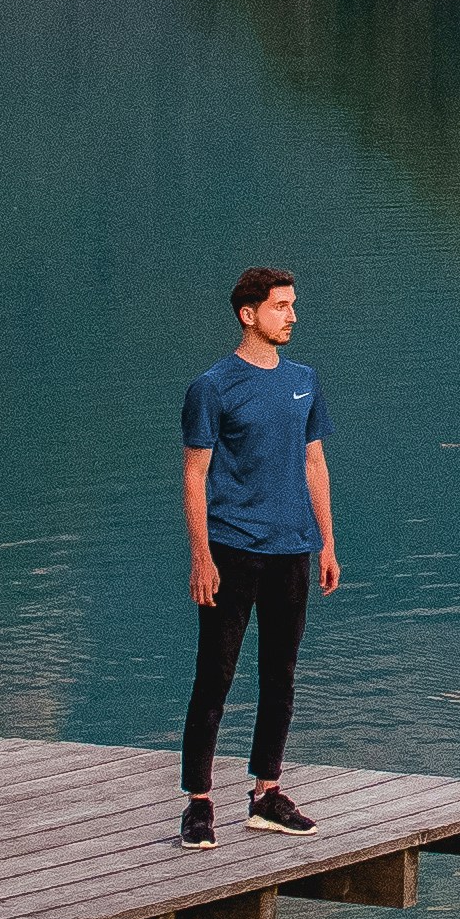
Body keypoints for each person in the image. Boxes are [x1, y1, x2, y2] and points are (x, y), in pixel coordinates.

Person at [178, 266, 339, 846]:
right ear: (248, 315)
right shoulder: (213, 386)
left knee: (281, 676)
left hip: (293, 550)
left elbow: (313, 461)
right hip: (232, 549)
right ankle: (198, 803)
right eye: (280, 307)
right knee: (214, 677)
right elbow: (195, 476)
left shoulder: (304, 380)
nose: (292, 316)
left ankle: (265, 793)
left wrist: (326, 541)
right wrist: (202, 557)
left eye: (293, 305)